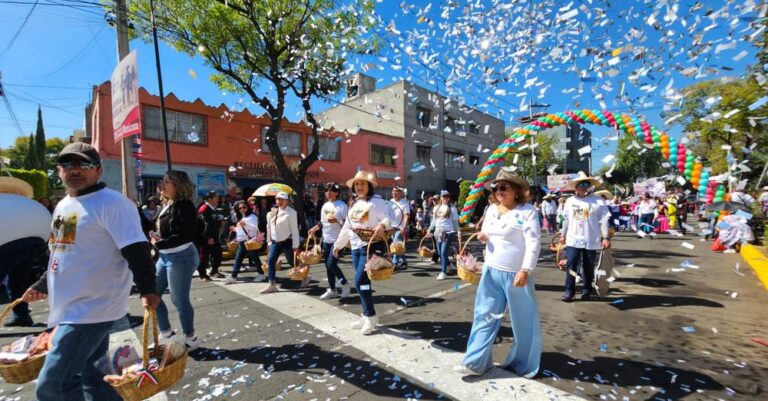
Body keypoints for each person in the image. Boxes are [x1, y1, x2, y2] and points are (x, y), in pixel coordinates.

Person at [22, 142, 160, 401]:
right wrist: (42, 284)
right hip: (69, 305)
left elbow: (137, 249)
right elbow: (61, 251)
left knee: (54, 387)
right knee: (93, 377)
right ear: (58, 170)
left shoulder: (113, 203)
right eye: (68, 164)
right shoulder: (64, 205)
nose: (75, 170)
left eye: (83, 164)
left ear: (97, 170)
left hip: (93, 309)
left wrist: (148, 289)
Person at [454, 170, 541, 378]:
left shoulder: (528, 211)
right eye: (496, 187)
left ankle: (523, 364)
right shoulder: (492, 209)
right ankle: (475, 362)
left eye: (504, 187)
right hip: (491, 271)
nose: (499, 191)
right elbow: (488, 234)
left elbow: (533, 243)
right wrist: (484, 237)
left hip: (516, 275)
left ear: (516, 190)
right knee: (484, 316)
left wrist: (526, 269)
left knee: (524, 322)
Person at [333, 171, 392, 335]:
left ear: (369, 186)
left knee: (359, 281)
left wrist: (382, 225)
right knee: (364, 284)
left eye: (363, 184)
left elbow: (387, 219)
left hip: (370, 246)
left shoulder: (376, 201)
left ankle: (371, 315)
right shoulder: (354, 204)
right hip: (355, 247)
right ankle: (366, 314)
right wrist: (338, 245)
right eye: (357, 184)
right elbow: (347, 226)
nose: (359, 187)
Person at [152, 171, 201, 349]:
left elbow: (185, 235)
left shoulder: (185, 205)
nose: (162, 185)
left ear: (178, 185)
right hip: (164, 256)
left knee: (179, 299)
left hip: (181, 256)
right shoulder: (167, 204)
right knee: (153, 295)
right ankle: (166, 333)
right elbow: (167, 231)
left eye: (167, 182)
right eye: (162, 181)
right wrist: (157, 238)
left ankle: (190, 338)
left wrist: (159, 243)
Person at [0, 177, 51, 327]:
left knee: (16, 280)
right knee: (17, 280)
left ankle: (21, 315)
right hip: (36, 238)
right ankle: (21, 315)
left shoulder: (7, 202)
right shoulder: (24, 203)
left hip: (9, 240)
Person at [559, 172, 611, 302]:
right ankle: (569, 291)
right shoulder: (570, 201)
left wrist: (606, 237)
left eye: (586, 184)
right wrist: (563, 234)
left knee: (588, 266)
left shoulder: (598, 201)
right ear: (575, 187)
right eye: (580, 184)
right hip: (573, 239)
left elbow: (604, 219)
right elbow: (565, 219)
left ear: (590, 186)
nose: (583, 187)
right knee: (572, 266)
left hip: (591, 239)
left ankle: (587, 289)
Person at [309, 183, 350, 299]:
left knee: (331, 264)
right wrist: (315, 228)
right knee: (328, 266)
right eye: (326, 191)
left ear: (337, 193)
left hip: (338, 240)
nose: (328, 193)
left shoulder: (342, 206)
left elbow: (348, 224)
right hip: (326, 239)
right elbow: (322, 222)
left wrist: (337, 220)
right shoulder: (325, 206)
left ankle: (344, 283)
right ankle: (332, 290)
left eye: (331, 191)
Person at [262, 191, 300, 294]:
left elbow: (294, 229)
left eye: (282, 200)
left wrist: (295, 245)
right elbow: (269, 228)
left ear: (287, 201)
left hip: (286, 241)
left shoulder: (291, 212)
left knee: (292, 262)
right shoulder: (272, 212)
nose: (279, 202)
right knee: (271, 261)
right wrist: (269, 241)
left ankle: (305, 276)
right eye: (278, 199)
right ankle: (271, 284)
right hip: (275, 242)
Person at [225, 201, 266, 284]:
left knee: (254, 258)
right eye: (240, 208)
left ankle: (261, 274)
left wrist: (245, 225)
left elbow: (254, 227)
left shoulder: (252, 216)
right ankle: (233, 276)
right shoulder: (242, 217)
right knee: (239, 259)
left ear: (248, 207)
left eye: (244, 207)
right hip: (242, 241)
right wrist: (235, 229)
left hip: (249, 241)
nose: (242, 209)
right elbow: (242, 229)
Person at [426, 190, 460, 280]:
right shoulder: (436, 208)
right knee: (440, 254)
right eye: (444, 196)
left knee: (443, 252)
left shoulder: (452, 208)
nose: (446, 198)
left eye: (448, 196)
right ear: (441, 197)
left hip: (448, 232)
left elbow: (455, 222)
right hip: (438, 232)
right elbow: (434, 221)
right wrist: (429, 229)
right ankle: (449, 264)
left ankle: (443, 272)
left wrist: (459, 232)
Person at [196, 191, 224, 280]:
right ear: (209, 199)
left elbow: (213, 221)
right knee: (204, 256)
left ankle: (214, 270)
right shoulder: (204, 208)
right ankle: (202, 274)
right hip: (206, 237)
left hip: (214, 236)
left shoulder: (213, 208)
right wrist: (208, 237)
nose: (218, 200)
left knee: (217, 253)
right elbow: (203, 224)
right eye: (216, 198)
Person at [389, 186, 411, 270]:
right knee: (398, 247)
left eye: (396, 192)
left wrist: (404, 227)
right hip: (391, 228)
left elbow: (406, 216)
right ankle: (404, 261)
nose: (394, 193)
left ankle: (394, 264)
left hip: (400, 228)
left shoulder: (404, 203)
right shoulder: (390, 202)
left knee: (395, 245)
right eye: (393, 191)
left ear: (401, 193)